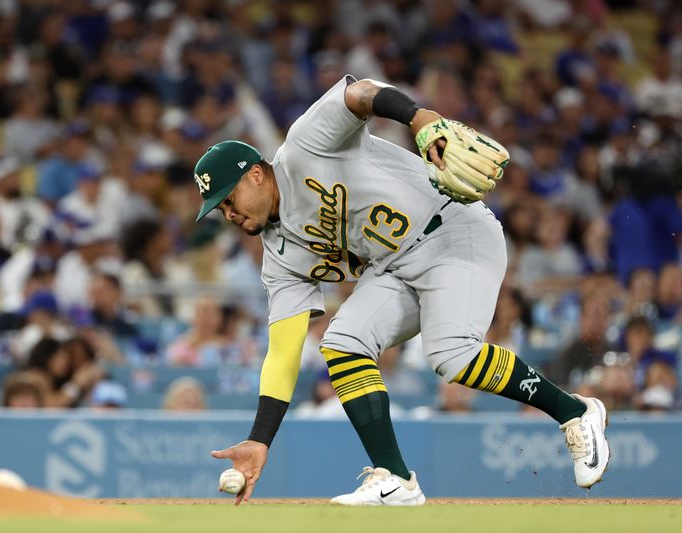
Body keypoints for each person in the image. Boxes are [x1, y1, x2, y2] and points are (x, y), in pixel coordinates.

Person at [202, 75, 610, 506]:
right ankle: (395, 479)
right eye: (221, 209)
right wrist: (259, 439)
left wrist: (418, 117)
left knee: (451, 354)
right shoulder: (279, 258)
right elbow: (283, 353)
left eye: (229, 199)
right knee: (342, 343)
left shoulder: (304, 147)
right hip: (394, 265)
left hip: (452, 229)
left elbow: (358, 93)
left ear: (257, 174)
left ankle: (575, 412)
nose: (228, 214)